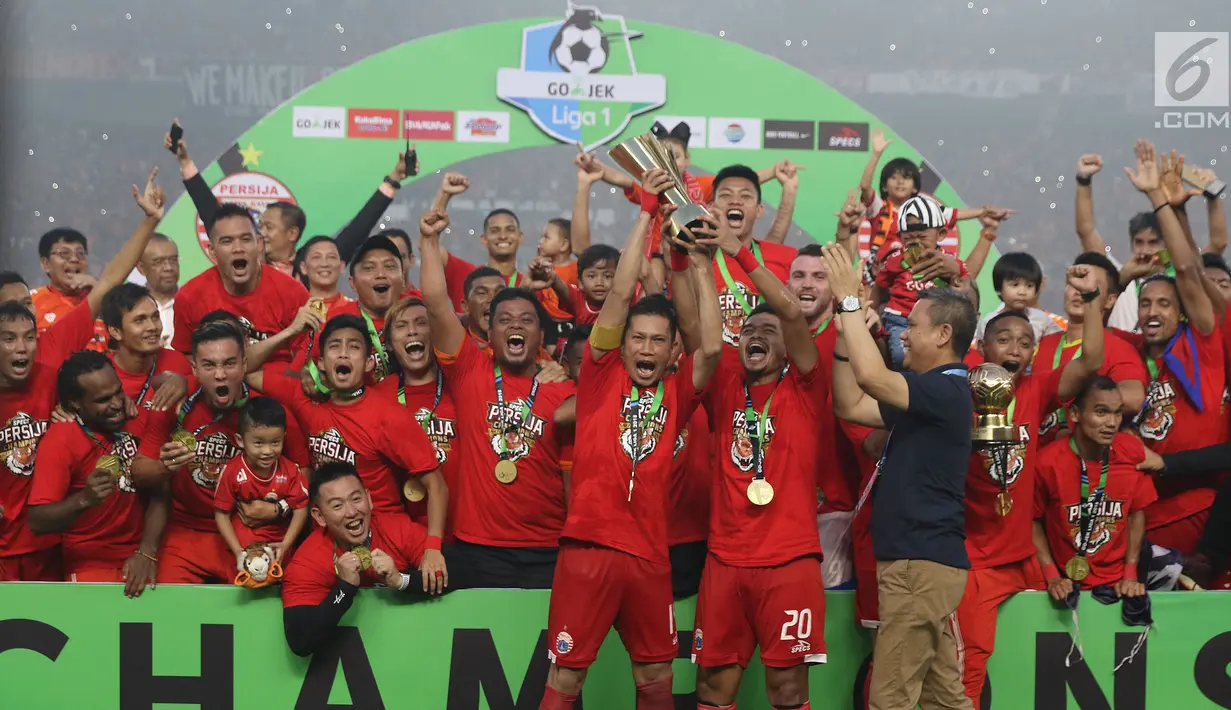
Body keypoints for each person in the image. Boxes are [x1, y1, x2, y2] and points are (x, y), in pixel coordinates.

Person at [540, 168, 723, 710]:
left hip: (649, 558)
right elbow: (619, 295)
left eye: (657, 341)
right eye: (637, 338)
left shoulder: (678, 391)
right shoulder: (600, 375)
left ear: (671, 352)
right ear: (622, 346)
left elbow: (710, 348)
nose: (645, 347)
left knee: (657, 680)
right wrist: (645, 212)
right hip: (588, 552)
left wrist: (698, 263)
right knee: (565, 682)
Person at [827, 240, 978, 710]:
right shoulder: (930, 395)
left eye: (912, 325)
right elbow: (851, 404)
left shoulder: (945, 391)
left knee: (890, 697)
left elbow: (872, 380)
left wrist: (852, 302)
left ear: (943, 334)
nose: (903, 334)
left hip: (919, 564)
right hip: (920, 562)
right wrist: (843, 339)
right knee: (942, 697)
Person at [688, 211, 827, 710]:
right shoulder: (727, 386)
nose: (757, 336)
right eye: (749, 331)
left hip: (788, 562)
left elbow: (791, 314)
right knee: (712, 688)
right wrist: (700, 265)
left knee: (787, 690)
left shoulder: (806, 389)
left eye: (769, 332)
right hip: (724, 560)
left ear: (789, 349)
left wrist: (739, 252)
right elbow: (702, 335)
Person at [0, 170, 167, 582]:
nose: (22, 347)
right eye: (7, 339)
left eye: (27, 337)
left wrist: (149, 221)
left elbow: (108, 282)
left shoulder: (52, 354)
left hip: (49, 545)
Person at [954, 269, 1108, 710]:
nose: (1015, 349)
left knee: (1047, 655)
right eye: (1004, 340)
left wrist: (1093, 298)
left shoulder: (1036, 388)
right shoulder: (958, 392)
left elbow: (1090, 362)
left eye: (1024, 343)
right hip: (976, 560)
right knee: (970, 668)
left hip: (1023, 555)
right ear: (982, 348)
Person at [419, 208, 576, 589]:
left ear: (542, 335)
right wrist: (428, 240)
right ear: (488, 332)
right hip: (479, 548)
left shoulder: (562, 388)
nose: (516, 325)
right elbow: (436, 303)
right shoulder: (469, 370)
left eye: (527, 320)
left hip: (547, 549)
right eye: (504, 320)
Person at [249, 315, 448, 579]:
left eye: (354, 347)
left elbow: (437, 485)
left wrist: (433, 547)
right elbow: (245, 368)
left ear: (367, 363)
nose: (343, 352)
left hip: (380, 536)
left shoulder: (389, 417)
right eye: (334, 346)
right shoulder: (306, 400)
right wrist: (292, 330)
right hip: (326, 536)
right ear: (322, 363)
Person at [138, 320, 311, 584]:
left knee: (260, 602)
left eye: (229, 363)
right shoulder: (174, 407)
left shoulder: (268, 413)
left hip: (252, 529)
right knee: (169, 605)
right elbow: (138, 472)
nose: (220, 374)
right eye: (209, 365)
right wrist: (165, 468)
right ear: (194, 367)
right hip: (188, 534)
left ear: (244, 364)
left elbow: (305, 473)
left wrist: (280, 509)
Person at [1122, 139, 1227, 556]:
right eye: (1145, 303)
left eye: (1164, 304)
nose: (1152, 311)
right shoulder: (1128, 351)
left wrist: (1159, 201)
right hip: (1140, 509)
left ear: (1182, 313)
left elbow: (1188, 268)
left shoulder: (1202, 345)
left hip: (1194, 507)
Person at [27, 352, 169, 596]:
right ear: (75, 403)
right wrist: (84, 499)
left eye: (118, 392)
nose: (116, 404)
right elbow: (36, 520)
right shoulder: (61, 441)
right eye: (103, 399)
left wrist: (146, 552)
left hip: (145, 550)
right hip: (90, 562)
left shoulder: (136, 420)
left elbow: (161, 494)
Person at [282, 462, 445, 657]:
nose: (351, 512)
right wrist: (345, 588)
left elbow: (465, 571)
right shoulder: (308, 561)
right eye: (337, 505)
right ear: (320, 517)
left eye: (356, 499)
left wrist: (401, 580)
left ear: (368, 498)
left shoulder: (396, 528)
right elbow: (300, 641)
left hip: (411, 652)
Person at [1034, 375, 1154, 603]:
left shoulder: (1130, 452)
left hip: (1118, 585)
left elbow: (1136, 514)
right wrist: (1051, 576)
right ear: (1075, 414)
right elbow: (1032, 520)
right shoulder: (1047, 462)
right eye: (1101, 412)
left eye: (1117, 413)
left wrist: (1130, 573)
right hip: (1064, 585)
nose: (1112, 422)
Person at [171, 202, 310, 363]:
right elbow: (186, 358)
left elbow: (306, 361)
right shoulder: (189, 297)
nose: (238, 248)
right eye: (227, 241)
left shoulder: (293, 293)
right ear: (212, 250)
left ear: (258, 244)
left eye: (245, 239)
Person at [1034, 252, 1148, 445]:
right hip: (1034, 461)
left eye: (1091, 287)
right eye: (1074, 283)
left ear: (1111, 300)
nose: (1079, 291)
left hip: (1083, 461)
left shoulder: (1119, 348)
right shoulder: (1043, 343)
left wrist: (1076, 409)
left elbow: (1133, 398)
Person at [381, 297, 459, 532]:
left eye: (421, 323)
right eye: (402, 326)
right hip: (404, 533)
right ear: (390, 344)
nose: (412, 331)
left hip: (465, 530)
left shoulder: (461, 385)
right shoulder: (380, 394)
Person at [873, 195, 970, 370]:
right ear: (901, 238)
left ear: (940, 234)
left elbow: (965, 281)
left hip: (936, 323)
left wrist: (956, 274)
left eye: (922, 236)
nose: (916, 242)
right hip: (900, 319)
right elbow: (881, 282)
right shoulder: (896, 260)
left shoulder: (949, 262)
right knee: (900, 356)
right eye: (909, 238)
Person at [213, 397, 309, 570]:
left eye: (275, 442)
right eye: (258, 443)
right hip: (243, 546)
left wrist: (286, 544)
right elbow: (221, 514)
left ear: (283, 438)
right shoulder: (231, 471)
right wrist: (237, 552)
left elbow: (301, 509)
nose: (267, 451)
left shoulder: (291, 471)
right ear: (241, 441)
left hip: (279, 547)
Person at [100, 283, 192, 412]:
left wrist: (187, 382)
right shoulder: (100, 377)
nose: (152, 327)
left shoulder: (177, 362)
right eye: (139, 320)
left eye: (155, 317)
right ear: (115, 331)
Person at [31, 228, 111, 352]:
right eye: (64, 253)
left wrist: (97, 288)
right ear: (45, 264)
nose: (74, 259)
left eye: (80, 254)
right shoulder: (30, 303)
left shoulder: (104, 299)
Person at [972, 252, 1067, 343]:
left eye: (1029, 286)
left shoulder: (1042, 320)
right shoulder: (988, 322)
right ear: (999, 288)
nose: (1022, 292)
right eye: (1015, 285)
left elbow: (1060, 345)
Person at [134, 233, 180, 347]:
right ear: (141, 268)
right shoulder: (131, 307)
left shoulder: (194, 301)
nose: (169, 268)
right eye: (158, 262)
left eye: (174, 260)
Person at [292, 236, 352, 316]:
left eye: (331, 257)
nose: (324, 264)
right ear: (303, 268)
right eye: (316, 257)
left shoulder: (357, 310)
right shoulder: (291, 311)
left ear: (342, 266)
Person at [258, 201, 306, 275]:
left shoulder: (307, 270)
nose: (262, 233)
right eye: (260, 226)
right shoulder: (250, 267)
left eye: (269, 227)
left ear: (292, 234)